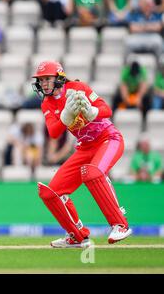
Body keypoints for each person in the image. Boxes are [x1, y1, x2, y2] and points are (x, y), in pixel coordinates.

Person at [32, 60, 132, 248]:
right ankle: (77, 236)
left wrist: (93, 112)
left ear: (59, 78)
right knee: (52, 192)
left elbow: (107, 110)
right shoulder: (46, 104)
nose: (43, 83)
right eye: (41, 80)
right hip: (85, 147)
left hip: (108, 139)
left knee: (93, 173)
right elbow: (54, 132)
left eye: (47, 79)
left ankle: (120, 224)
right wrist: (65, 118)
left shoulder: (77, 87)